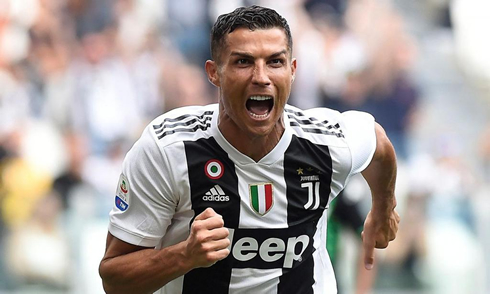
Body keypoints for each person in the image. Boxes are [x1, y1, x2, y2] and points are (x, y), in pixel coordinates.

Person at [99, 5, 400, 294]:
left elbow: (379, 144)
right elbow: (114, 279)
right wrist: (184, 255)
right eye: (243, 62)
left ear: (293, 70)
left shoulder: (325, 143)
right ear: (214, 72)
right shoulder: (167, 148)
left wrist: (384, 208)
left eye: (275, 62)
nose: (261, 77)